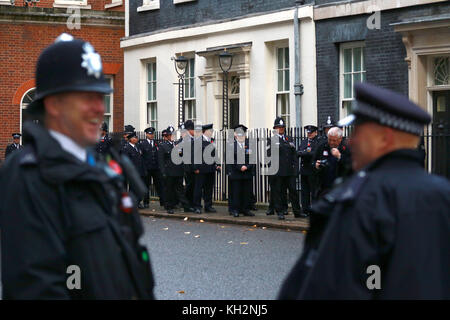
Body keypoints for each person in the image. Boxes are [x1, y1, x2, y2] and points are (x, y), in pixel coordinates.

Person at [0, 34, 154, 299]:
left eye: (101, 95)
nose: (99, 109)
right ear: (54, 104)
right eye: (86, 97)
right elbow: (38, 287)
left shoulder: (101, 167)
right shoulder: (29, 175)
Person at [279, 82, 450, 300]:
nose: (354, 141)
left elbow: (334, 284)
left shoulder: (361, 199)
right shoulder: (443, 194)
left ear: (385, 138)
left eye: (360, 131)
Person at [267, 117, 298, 220]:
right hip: (278, 171)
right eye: (278, 127)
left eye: (282, 127)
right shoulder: (271, 140)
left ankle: (297, 211)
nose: (280, 129)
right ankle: (280, 211)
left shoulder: (289, 139)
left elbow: (294, 154)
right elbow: (269, 155)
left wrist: (295, 167)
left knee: (293, 190)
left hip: (289, 170)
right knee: (278, 191)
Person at [158, 127, 193, 214]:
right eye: (170, 135)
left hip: (178, 170)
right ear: (166, 137)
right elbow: (161, 161)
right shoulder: (163, 146)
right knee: (169, 190)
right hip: (169, 171)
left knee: (180, 190)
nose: (172, 136)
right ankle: (168, 206)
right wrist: (163, 172)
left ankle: (186, 206)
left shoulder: (177, 144)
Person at [312, 126, 352, 198]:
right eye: (329, 139)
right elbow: (313, 161)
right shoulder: (322, 146)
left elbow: (352, 164)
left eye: (334, 140)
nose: (331, 142)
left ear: (340, 139)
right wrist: (315, 165)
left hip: (342, 185)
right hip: (324, 186)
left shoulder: (347, 147)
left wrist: (340, 156)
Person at [227, 125, 255, 217]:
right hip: (236, 172)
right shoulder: (231, 145)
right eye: (239, 134)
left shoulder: (249, 145)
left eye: (242, 134)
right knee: (236, 192)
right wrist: (240, 167)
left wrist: (247, 166)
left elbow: (252, 158)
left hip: (246, 172)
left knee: (246, 192)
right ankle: (235, 209)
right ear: (235, 135)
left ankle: (245, 209)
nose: (241, 136)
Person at [193, 124, 221, 214]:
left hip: (210, 168)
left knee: (209, 188)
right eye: (210, 131)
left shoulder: (212, 141)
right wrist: (195, 168)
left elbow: (215, 154)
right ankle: (197, 206)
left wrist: (218, 164)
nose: (211, 132)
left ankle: (208, 206)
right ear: (205, 131)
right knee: (198, 188)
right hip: (200, 169)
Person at [297, 125, 320, 217]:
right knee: (304, 191)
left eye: (311, 133)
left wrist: (305, 153)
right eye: (308, 133)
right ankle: (305, 209)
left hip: (313, 170)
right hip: (304, 170)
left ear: (315, 133)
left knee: (313, 191)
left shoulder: (318, 142)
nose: (309, 134)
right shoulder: (304, 142)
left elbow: (315, 153)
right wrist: (305, 153)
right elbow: (298, 152)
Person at [139, 127, 165, 208]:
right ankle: (146, 202)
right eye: (150, 134)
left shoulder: (157, 143)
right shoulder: (142, 144)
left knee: (159, 185)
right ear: (146, 134)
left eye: (152, 134)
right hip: (147, 168)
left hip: (156, 168)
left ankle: (163, 201)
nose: (151, 135)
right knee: (146, 185)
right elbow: (141, 157)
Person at [122, 131, 147, 209]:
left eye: (136, 137)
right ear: (130, 139)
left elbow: (141, 160)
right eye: (135, 138)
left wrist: (144, 170)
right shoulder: (127, 148)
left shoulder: (138, 147)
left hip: (140, 171)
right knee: (132, 189)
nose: (136, 139)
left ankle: (138, 202)